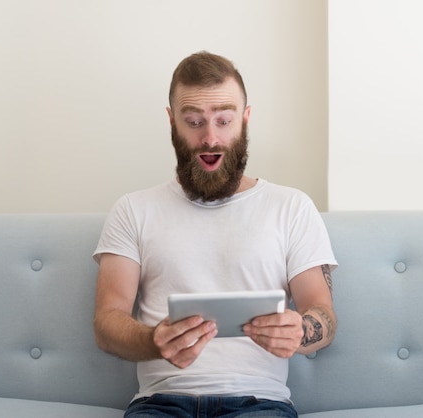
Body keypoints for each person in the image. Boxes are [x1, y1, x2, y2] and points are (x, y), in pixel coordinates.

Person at [93, 51, 337, 417]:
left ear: (246, 119)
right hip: (160, 404)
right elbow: (106, 322)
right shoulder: (133, 209)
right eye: (194, 122)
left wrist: (302, 330)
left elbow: (325, 317)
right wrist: (152, 340)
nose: (210, 138)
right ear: (172, 121)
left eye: (224, 120)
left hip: (260, 403)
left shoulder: (292, 207)